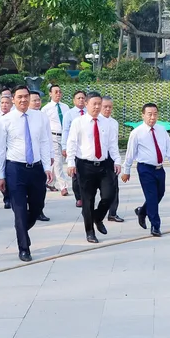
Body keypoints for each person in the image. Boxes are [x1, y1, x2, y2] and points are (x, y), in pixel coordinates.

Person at [0, 86, 53, 262]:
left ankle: (22, 229)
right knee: (19, 210)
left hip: (36, 169)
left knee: (36, 207)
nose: (23, 100)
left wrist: (47, 167)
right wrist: (1, 175)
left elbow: (44, 142)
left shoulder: (40, 117)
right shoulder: (5, 121)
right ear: (13, 99)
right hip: (15, 169)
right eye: (19, 97)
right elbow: (0, 150)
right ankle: (24, 247)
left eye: (26, 97)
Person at [66, 91, 120, 244]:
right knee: (88, 200)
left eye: (99, 104)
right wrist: (70, 163)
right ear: (87, 104)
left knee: (109, 195)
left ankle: (98, 217)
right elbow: (72, 143)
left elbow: (111, 144)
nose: (97, 107)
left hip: (104, 165)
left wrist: (117, 160)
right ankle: (90, 231)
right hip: (85, 166)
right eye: (94, 104)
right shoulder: (79, 122)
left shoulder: (107, 123)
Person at [122, 103, 170, 237]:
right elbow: (130, 153)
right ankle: (155, 225)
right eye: (149, 114)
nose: (152, 117)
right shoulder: (136, 133)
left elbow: (169, 147)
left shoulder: (162, 130)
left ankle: (142, 211)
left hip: (159, 169)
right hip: (145, 169)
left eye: (155, 114)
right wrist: (126, 170)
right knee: (152, 197)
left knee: (160, 193)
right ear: (143, 115)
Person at [41, 84, 71, 197]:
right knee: (58, 160)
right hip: (53, 136)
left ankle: (50, 182)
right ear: (50, 94)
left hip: (65, 136)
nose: (58, 94)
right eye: (56, 92)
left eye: (60, 92)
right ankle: (63, 186)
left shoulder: (65, 107)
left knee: (60, 161)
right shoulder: (46, 109)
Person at [61, 90, 87, 206]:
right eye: (78, 98)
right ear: (74, 100)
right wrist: (64, 147)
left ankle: (87, 195)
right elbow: (65, 131)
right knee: (75, 174)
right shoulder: (69, 114)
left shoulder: (90, 113)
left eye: (83, 98)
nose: (81, 100)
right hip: (74, 148)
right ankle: (79, 197)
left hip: (87, 148)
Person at [101, 96, 124, 223]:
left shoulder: (114, 123)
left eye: (110, 107)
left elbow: (114, 144)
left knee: (114, 185)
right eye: (105, 106)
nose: (108, 109)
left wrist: (117, 160)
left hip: (110, 157)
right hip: (97, 158)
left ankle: (113, 213)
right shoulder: (95, 121)